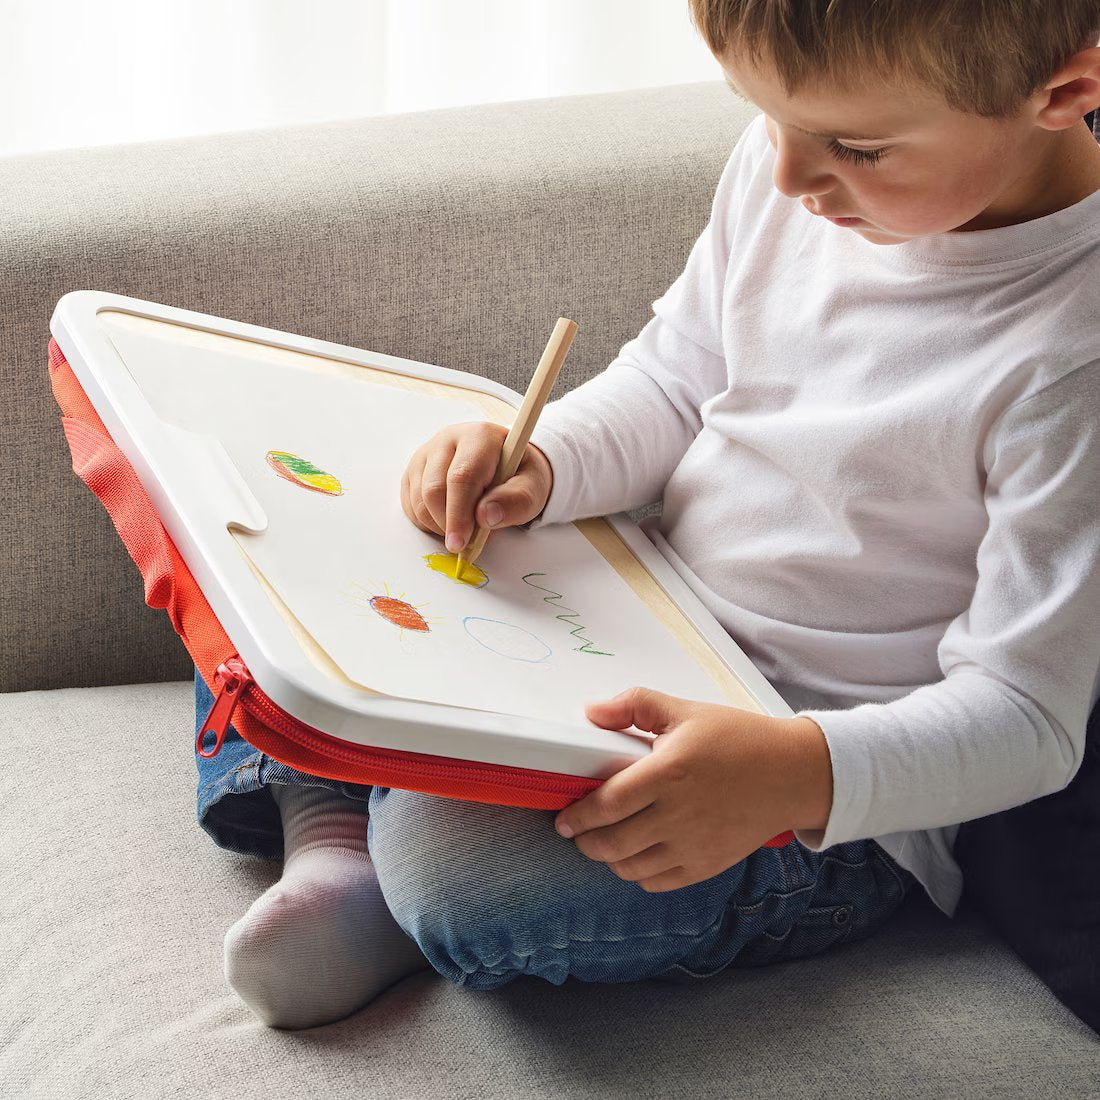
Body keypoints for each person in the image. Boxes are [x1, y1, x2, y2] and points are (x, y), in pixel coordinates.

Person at [196, 0, 1100, 1029]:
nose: (788, 178)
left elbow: (1027, 721)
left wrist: (795, 773)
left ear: (1065, 92)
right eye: (763, 117)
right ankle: (339, 838)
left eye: (854, 147)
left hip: (794, 780)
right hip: (632, 611)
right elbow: (673, 381)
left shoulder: (1070, 356)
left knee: (477, 892)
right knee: (257, 546)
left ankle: (360, 824)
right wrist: (539, 461)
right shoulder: (795, 187)